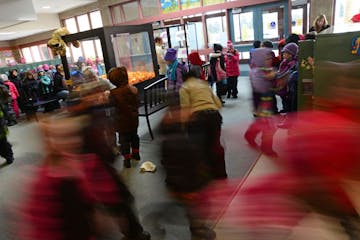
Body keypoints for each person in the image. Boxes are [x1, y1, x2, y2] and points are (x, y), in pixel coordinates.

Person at [179, 65, 227, 179]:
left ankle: (204, 175)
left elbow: (185, 109)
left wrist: (183, 126)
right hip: (214, 116)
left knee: (199, 147)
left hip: (198, 119)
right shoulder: (204, 84)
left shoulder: (184, 87)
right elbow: (218, 104)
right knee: (215, 145)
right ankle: (221, 174)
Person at [245, 47, 277, 157]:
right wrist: (270, 77)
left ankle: (250, 135)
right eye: (266, 58)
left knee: (262, 124)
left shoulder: (266, 70)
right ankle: (266, 147)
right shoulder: (256, 72)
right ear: (259, 59)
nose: (270, 60)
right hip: (262, 104)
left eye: (270, 58)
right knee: (269, 127)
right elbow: (261, 88)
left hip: (268, 102)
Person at [108, 67, 140, 169]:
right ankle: (136, 154)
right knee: (134, 136)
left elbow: (111, 105)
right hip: (134, 119)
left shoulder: (113, 93)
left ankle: (127, 159)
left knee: (124, 141)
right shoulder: (133, 89)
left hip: (121, 122)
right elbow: (137, 103)